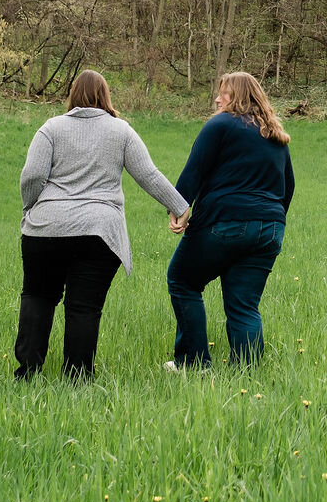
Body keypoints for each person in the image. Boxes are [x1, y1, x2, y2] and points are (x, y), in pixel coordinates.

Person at [15, 69, 189, 380]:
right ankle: (78, 379)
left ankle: (27, 372)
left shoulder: (50, 128)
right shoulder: (120, 131)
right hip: (98, 233)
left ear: (73, 96)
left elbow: (32, 175)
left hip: (45, 229)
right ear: (105, 97)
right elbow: (148, 174)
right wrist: (179, 206)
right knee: (83, 307)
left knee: (37, 297)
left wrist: (31, 207)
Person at [165, 71, 295, 370]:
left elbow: (194, 170)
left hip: (225, 222)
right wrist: (267, 224)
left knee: (183, 281)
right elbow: (288, 186)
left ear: (236, 96)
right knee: (244, 305)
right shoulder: (276, 135)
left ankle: (192, 364)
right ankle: (246, 375)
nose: (216, 98)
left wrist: (177, 210)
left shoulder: (220, 124)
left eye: (222, 93)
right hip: (270, 229)